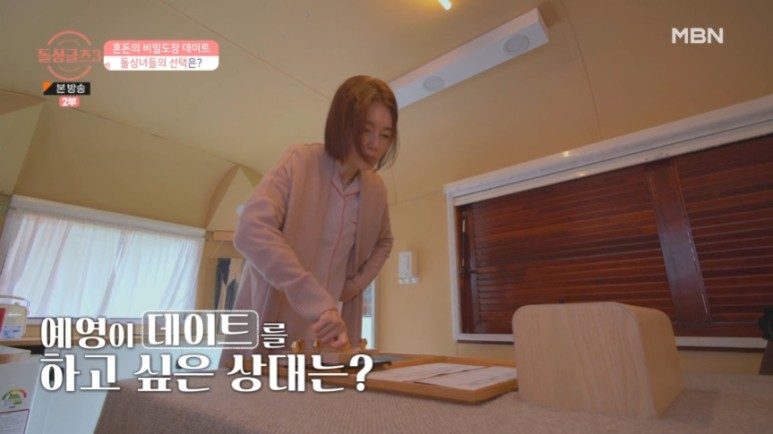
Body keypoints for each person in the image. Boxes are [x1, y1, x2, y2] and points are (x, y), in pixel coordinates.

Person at [224, 75, 398, 362]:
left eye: (386, 135)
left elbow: (385, 241)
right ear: (343, 123)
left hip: (331, 327)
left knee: (321, 387)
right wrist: (315, 301)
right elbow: (251, 229)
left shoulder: (376, 189)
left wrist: (354, 286)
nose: (374, 144)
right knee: (259, 385)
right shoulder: (299, 161)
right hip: (275, 312)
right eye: (366, 130)